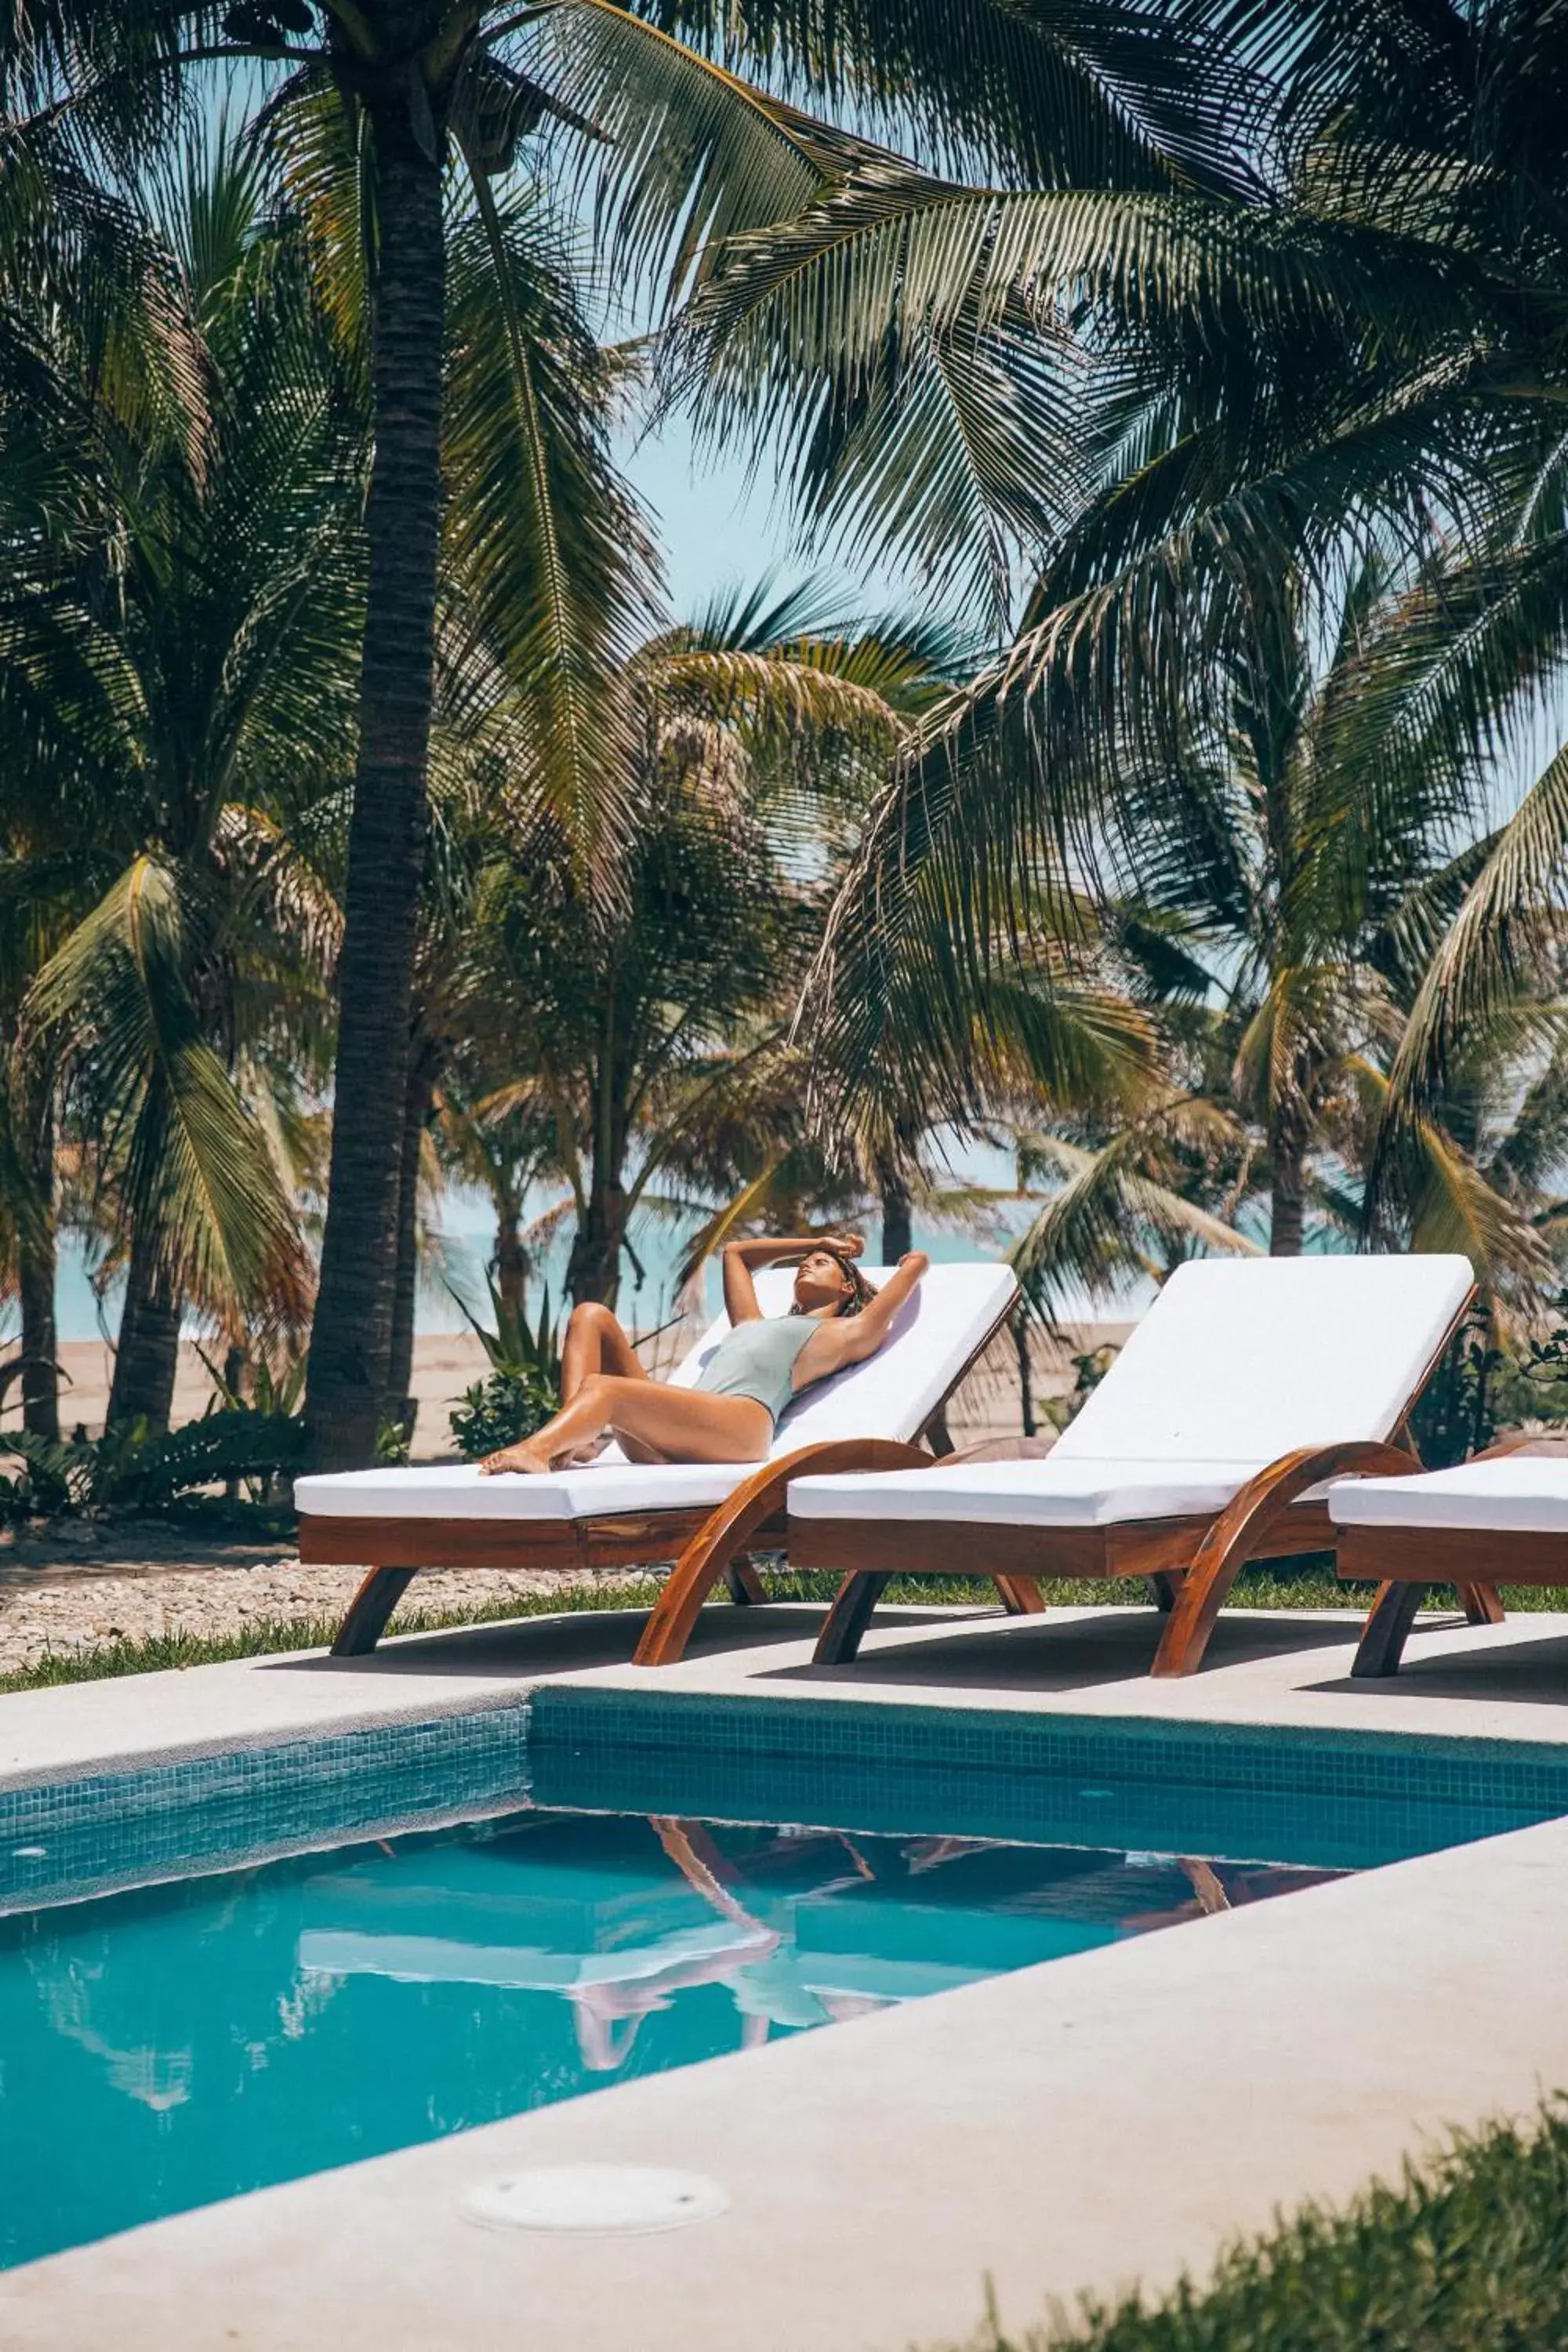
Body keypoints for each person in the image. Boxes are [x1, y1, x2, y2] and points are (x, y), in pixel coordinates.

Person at [478, 1232, 929, 1476]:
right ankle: (569, 1445)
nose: (807, 1263)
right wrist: (820, 1242)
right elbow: (735, 1253)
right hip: (687, 1429)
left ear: (848, 1287)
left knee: (605, 1389)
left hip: (741, 1427)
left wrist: (915, 1265)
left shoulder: (840, 1332)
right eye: (805, 1261)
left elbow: (884, 1312)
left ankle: (538, 1449)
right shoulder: (754, 1323)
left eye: (822, 1263)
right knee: (590, 1315)